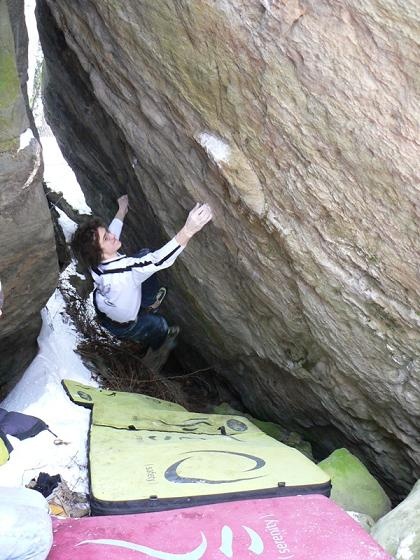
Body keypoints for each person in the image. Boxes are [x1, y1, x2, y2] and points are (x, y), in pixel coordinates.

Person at [71, 195, 212, 350]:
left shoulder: (94, 260)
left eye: (107, 232)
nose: (111, 236)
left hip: (108, 306)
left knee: (143, 256)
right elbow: (159, 260)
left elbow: (111, 234)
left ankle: (148, 302)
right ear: (99, 253)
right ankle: (160, 344)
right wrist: (189, 229)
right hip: (124, 324)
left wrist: (122, 210)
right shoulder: (123, 274)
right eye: (106, 238)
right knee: (159, 325)